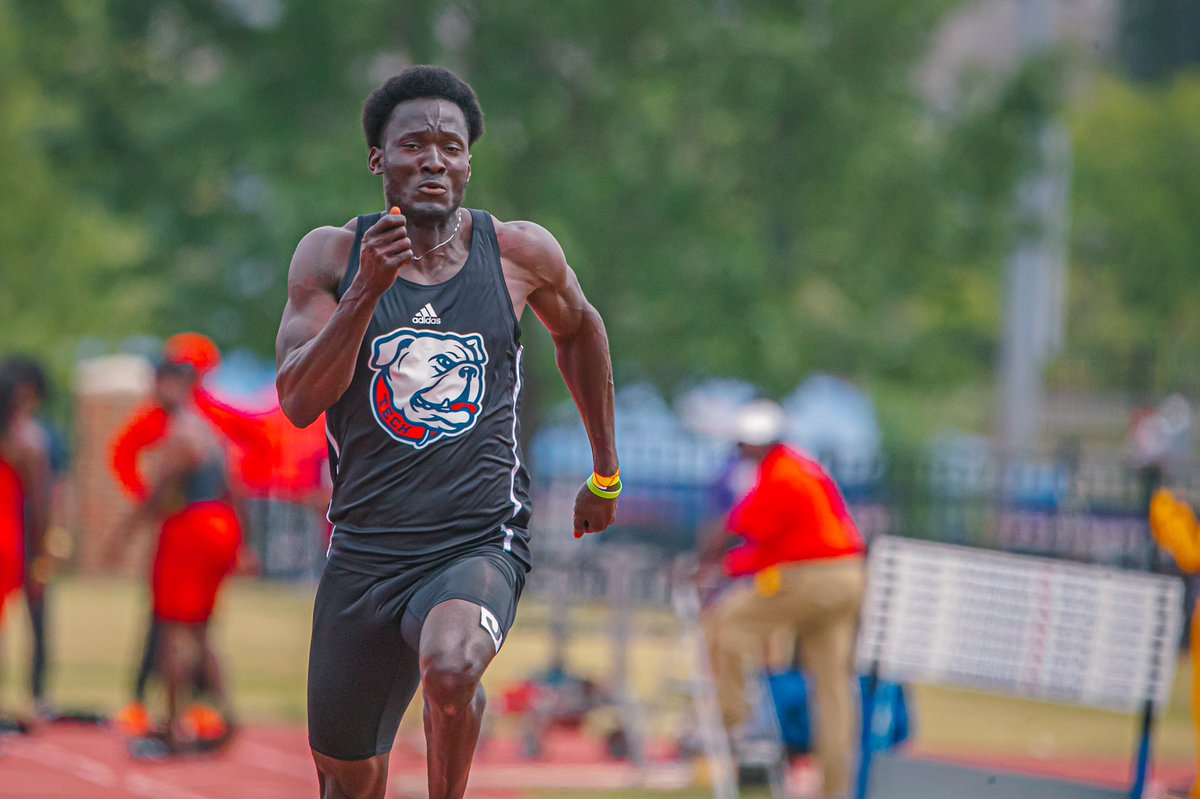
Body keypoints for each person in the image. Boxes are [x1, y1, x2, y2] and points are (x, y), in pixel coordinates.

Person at [274, 65, 619, 799]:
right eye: (414, 145)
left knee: (453, 667)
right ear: (378, 160)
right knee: (348, 781)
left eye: (451, 147)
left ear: (468, 161)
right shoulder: (332, 258)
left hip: (475, 539)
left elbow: (582, 333)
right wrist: (366, 290)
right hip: (365, 548)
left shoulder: (519, 254)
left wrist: (606, 470)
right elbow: (300, 401)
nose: (434, 159)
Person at [699, 399, 865, 799]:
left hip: (813, 576)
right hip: (849, 575)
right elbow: (776, 544)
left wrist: (712, 567)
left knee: (730, 620)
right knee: (833, 689)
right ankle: (835, 787)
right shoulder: (803, 465)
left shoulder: (780, 475)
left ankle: (734, 721)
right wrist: (732, 565)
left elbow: (740, 529)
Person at [106, 360, 242, 752]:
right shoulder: (208, 429)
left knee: (171, 630)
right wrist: (244, 542)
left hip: (190, 528)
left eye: (157, 383)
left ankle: (172, 728)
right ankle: (227, 719)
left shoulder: (180, 432)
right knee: (200, 630)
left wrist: (120, 538)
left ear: (174, 383)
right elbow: (236, 487)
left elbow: (156, 496)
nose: (153, 392)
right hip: (220, 524)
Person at [0, 356, 68, 719]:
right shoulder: (30, 439)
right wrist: (43, 548)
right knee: (38, 612)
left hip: (14, 531)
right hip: (16, 536)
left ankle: (37, 692)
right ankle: (38, 695)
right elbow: (40, 501)